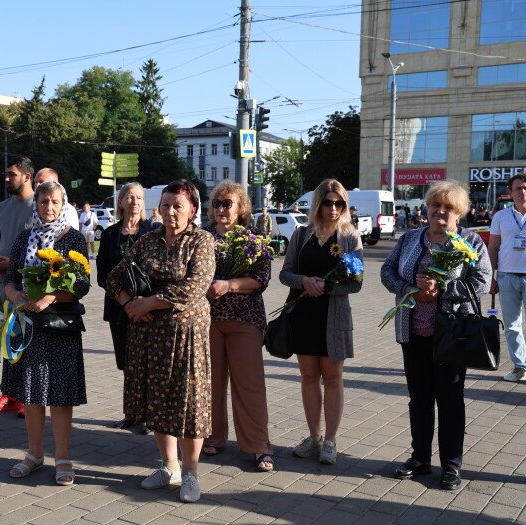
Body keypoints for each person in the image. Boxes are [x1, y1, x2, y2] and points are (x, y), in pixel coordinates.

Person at [106, 180, 216, 503]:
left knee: (188, 402)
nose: (170, 212)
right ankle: (169, 467)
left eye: (178, 206)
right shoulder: (148, 240)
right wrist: (130, 304)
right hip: (150, 337)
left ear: (192, 210)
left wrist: (149, 303)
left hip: (186, 336)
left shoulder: (201, 240)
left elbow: (194, 287)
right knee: (158, 401)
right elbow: (113, 278)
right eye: (166, 205)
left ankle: (191, 473)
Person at [381, 181, 491, 490]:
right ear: (427, 208)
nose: (440, 211)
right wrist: (407, 288)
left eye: (448, 207)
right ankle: (420, 459)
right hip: (412, 331)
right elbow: (387, 271)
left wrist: (442, 288)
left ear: (459, 213)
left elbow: (482, 280)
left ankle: (451, 465)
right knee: (419, 399)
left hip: (451, 336)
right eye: (435, 205)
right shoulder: (410, 238)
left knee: (450, 400)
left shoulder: (470, 241)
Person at [2, 181, 89, 486]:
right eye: (43, 201)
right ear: (36, 204)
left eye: (54, 202)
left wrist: (50, 297)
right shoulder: (25, 237)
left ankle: (62, 457)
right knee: (31, 393)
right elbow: (10, 278)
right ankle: (34, 454)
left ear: (63, 204)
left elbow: (81, 286)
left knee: (60, 396)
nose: (48, 207)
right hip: (28, 326)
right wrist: (14, 294)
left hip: (60, 327)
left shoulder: (73, 238)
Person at [279, 178, 363, 466]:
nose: (334, 208)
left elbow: (356, 283)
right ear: (318, 204)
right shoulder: (301, 234)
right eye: (328, 202)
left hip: (334, 317)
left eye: (340, 203)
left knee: (333, 377)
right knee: (308, 377)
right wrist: (304, 281)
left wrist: (327, 287)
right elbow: (285, 273)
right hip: (304, 316)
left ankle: (330, 440)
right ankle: (313, 437)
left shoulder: (350, 237)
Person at [202, 181, 274, 471]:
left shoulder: (253, 238)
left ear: (241, 207)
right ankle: (213, 437)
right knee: (210, 383)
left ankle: (258, 446)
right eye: (217, 203)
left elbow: (261, 279)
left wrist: (229, 284)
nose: (221, 209)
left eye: (227, 203)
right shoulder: (203, 236)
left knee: (249, 384)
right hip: (209, 319)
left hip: (245, 319)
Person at [96, 182, 153, 433]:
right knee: (126, 363)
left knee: (148, 363)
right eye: (129, 197)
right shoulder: (110, 234)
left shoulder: (153, 231)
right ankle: (131, 414)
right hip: (118, 308)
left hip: (147, 309)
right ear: (120, 202)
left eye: (139, 197)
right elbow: (102, 275)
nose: (134, 201)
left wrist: (141, 302)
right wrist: (125, 300)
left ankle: (149, 416)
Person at [0, 155, 35, 415]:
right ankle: (9, 393)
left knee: (26, 337)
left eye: (12, 174)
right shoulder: (3, 207)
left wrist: (12, 263)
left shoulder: (40, 205)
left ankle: (27, 395)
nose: (7, 179)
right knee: (5, 336)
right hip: (2, 283)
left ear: (27, 176)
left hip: (27, 285)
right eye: (6, 174)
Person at [489, 174, 526, 383]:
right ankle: (520, 367)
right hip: (506, 276)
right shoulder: (501, 217)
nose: (523, 191)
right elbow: (493, 247)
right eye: (518, 188)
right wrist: (491, 277)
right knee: (512, 326)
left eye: (525, 187)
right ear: (510, 193)